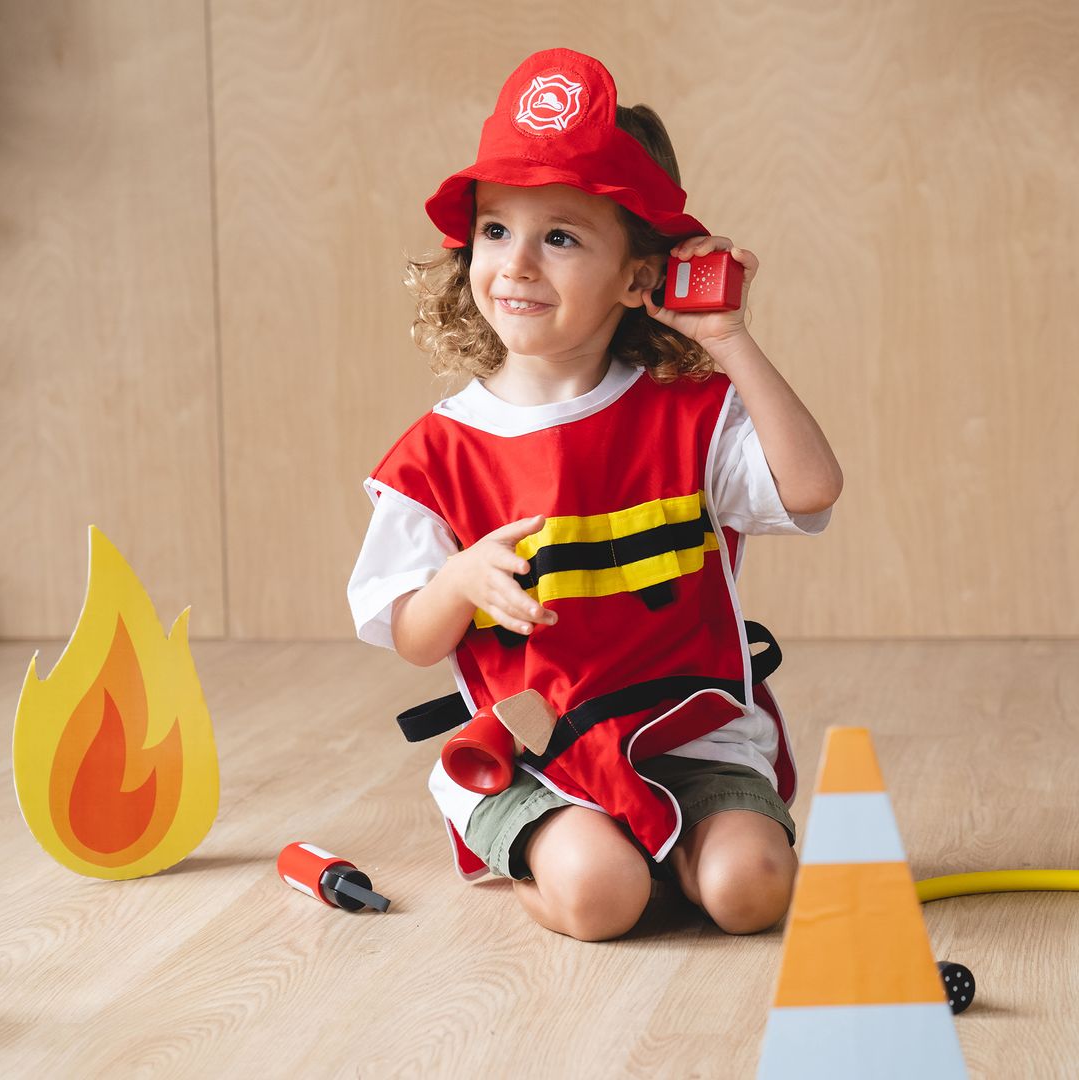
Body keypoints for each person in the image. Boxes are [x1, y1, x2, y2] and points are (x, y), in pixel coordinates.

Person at [347, 48, 843, 942]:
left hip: (685, 738)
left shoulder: (688, 419)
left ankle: (675, 854)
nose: (518, 264)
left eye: (561, 236)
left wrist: (729, 341)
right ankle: (570, 860)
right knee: (604, 899)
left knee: (753, 890)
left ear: (640, 276)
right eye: (496, 231)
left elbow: (811, 486)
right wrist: (457, 581)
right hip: (532, 758)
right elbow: (414, 639)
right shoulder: (437, 453)